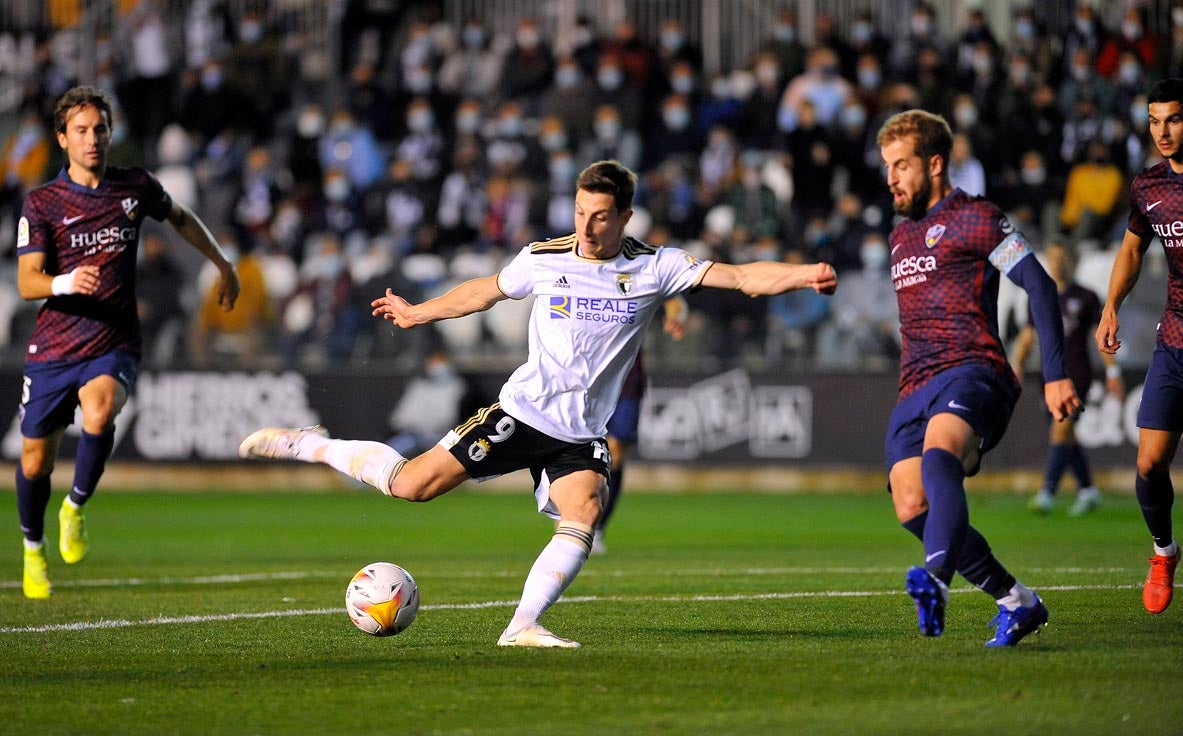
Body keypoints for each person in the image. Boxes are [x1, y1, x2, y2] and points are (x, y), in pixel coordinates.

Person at [240, 160, 836, 648]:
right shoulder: (546, 258)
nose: (587, 227)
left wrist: (805, 272)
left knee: (585, 511)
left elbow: (741, 277)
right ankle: (309, 443)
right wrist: (420, 311)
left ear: (625, 215)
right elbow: (486, 291)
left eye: (600, 216)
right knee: (411, 486)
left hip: (581, 433)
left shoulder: (655, 267)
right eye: (580, 212)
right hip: (522, 413)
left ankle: (521, 624)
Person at [15, 86, 240, 600]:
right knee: (33, 463)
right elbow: (28, 280)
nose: (92, 139)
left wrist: (222, 264)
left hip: (113, 339)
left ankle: (74, 507)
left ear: (111, 133)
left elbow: (180, 216)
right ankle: (32, 546)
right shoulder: (43, 202)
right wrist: (66, 282)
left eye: (99, 129)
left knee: (99, 414)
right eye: (80, 130)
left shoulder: (134, 187)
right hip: (54, 346)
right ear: (62, 138)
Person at [877, 110, 1081, 646]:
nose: (891, 178)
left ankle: (937, 583)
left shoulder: (978, 218)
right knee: (910, 503)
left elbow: (1040, 286)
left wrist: (1054, 375)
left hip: (974, 369)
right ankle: (1018, 602)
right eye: (887, 166)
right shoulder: (899, 236)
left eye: (901, 165)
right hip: (913, 385)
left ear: (936, 163)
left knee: (941, 453)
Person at [1095, 78, 1183, 615]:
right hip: (1175, 339)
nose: (1163, 132)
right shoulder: (1148, 186)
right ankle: (1163, 551)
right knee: (1149, 464)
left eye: (1173, 119)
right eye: (1154, 121)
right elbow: (1131, 252)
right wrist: (1111, 306)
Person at [1013, 242, 1124, 516]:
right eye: (1052, 257)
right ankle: (1088, 490)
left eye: (1062, 257)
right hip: (1048, 376)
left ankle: (1047, 493)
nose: (1057, 262)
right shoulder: (1039, 295)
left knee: (1061, 429)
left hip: (1077, 374)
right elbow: (1028, 334)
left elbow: (1102, 336)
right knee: (1068, 436)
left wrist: (1113, 372)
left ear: (1071, 260)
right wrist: (1016, 364)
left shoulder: (1086, 296)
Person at [594, 296, 688, 555]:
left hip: (627, 380)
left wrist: (676, 315)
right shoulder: (580, 266)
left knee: (615, 452)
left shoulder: (637, 265)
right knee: (575, 448)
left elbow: (672, 297)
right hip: (585, 380)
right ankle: (573, 514)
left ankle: (597, 527)